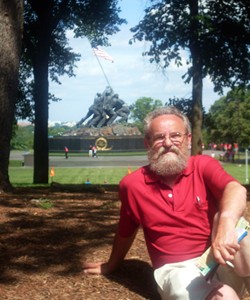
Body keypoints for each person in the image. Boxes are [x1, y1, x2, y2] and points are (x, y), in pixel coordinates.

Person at [83, 106, 250, 300]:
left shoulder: (203, 166)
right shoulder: (132, 185)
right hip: (178, 271)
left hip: (222, 258)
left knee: (236, 225)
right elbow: (125, 231)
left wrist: (226, 222)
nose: (168, 143)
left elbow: (236, 189)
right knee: (225, 296)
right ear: (147, 143)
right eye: (159, 137)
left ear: (188, 139)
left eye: (176, 135)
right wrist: (112, 264)